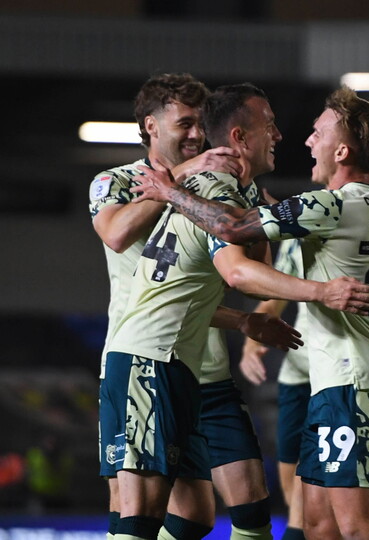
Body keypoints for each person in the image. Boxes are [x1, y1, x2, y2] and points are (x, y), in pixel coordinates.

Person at [131, 86, 369, 539]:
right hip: (334, 381)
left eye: (319, 132)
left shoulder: (332, 204)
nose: (308, 141)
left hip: (354, 382)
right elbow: (302, 230)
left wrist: (170, 192)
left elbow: (232, 227)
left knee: (360, 528)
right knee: (316, 523)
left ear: (342, 150)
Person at [88, 73, 303, 539]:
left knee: (212, 515)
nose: (194, 134)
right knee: (135, 511)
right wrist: (177, 181)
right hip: (143, 356)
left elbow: (248, 259)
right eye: (183, 123)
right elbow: (116, 233)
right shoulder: (117, 181)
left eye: (199, 125)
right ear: (150, 125)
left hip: (202, 367)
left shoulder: (214, 186)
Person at [239, 236, 369, 540]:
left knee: (354, 520)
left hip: (347, 377)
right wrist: (251, 344)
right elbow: (273, 300)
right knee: (306, 508)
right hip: (301, 375)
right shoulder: (301, 241)